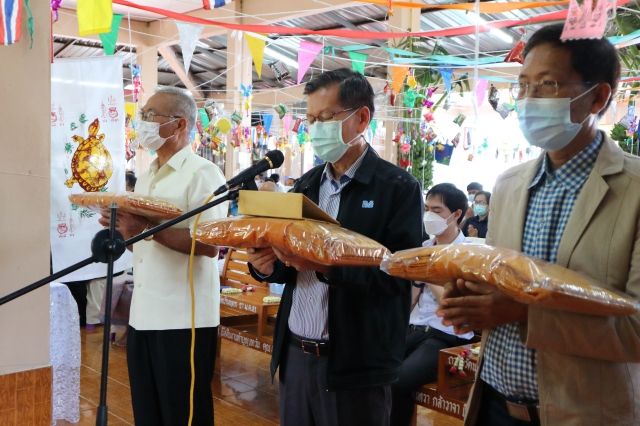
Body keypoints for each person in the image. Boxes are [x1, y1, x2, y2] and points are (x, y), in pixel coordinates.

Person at [437, 24, 640, 426]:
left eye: (547, 85)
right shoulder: (510, 184)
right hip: (493, 404)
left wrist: (521, 313)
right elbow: (496, 280)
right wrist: (466, 296)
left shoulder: (633, 191)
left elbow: (636, 327)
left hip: (584, 414)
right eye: (523, 86)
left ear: (598, 97)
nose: (528, 100)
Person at [247, 68, 424, 426]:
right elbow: (289, 267)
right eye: (311, 119)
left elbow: (398, 276)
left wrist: (326, 265)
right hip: (296, 352)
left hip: (355, 362)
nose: (316, 127)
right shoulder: (308, 185)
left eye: (326, 117)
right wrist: (265, 263)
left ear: (361, 118)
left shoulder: (396, 188)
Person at [99, 87, 227, 426]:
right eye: (142, 115)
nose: (141, 123)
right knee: (148, 411)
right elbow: (143, 245)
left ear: (179, 125)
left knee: (182, 414)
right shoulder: (147, 175)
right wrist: (126, 231)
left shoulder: (204, 173)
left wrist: (143, 227)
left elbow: (210, 244)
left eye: (149, 116)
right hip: (143, 315)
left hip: (183, 318)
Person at [390, 183, 474, 426]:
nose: (429, 216)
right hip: (416, 328)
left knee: (399, 380)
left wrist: (426, 273)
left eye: (436, 210)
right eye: (427, 208)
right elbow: (412, 297)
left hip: (446, 334)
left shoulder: (469, 252)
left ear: (456, 214)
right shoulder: (425, 248)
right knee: (376, 367)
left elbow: (453, 304)